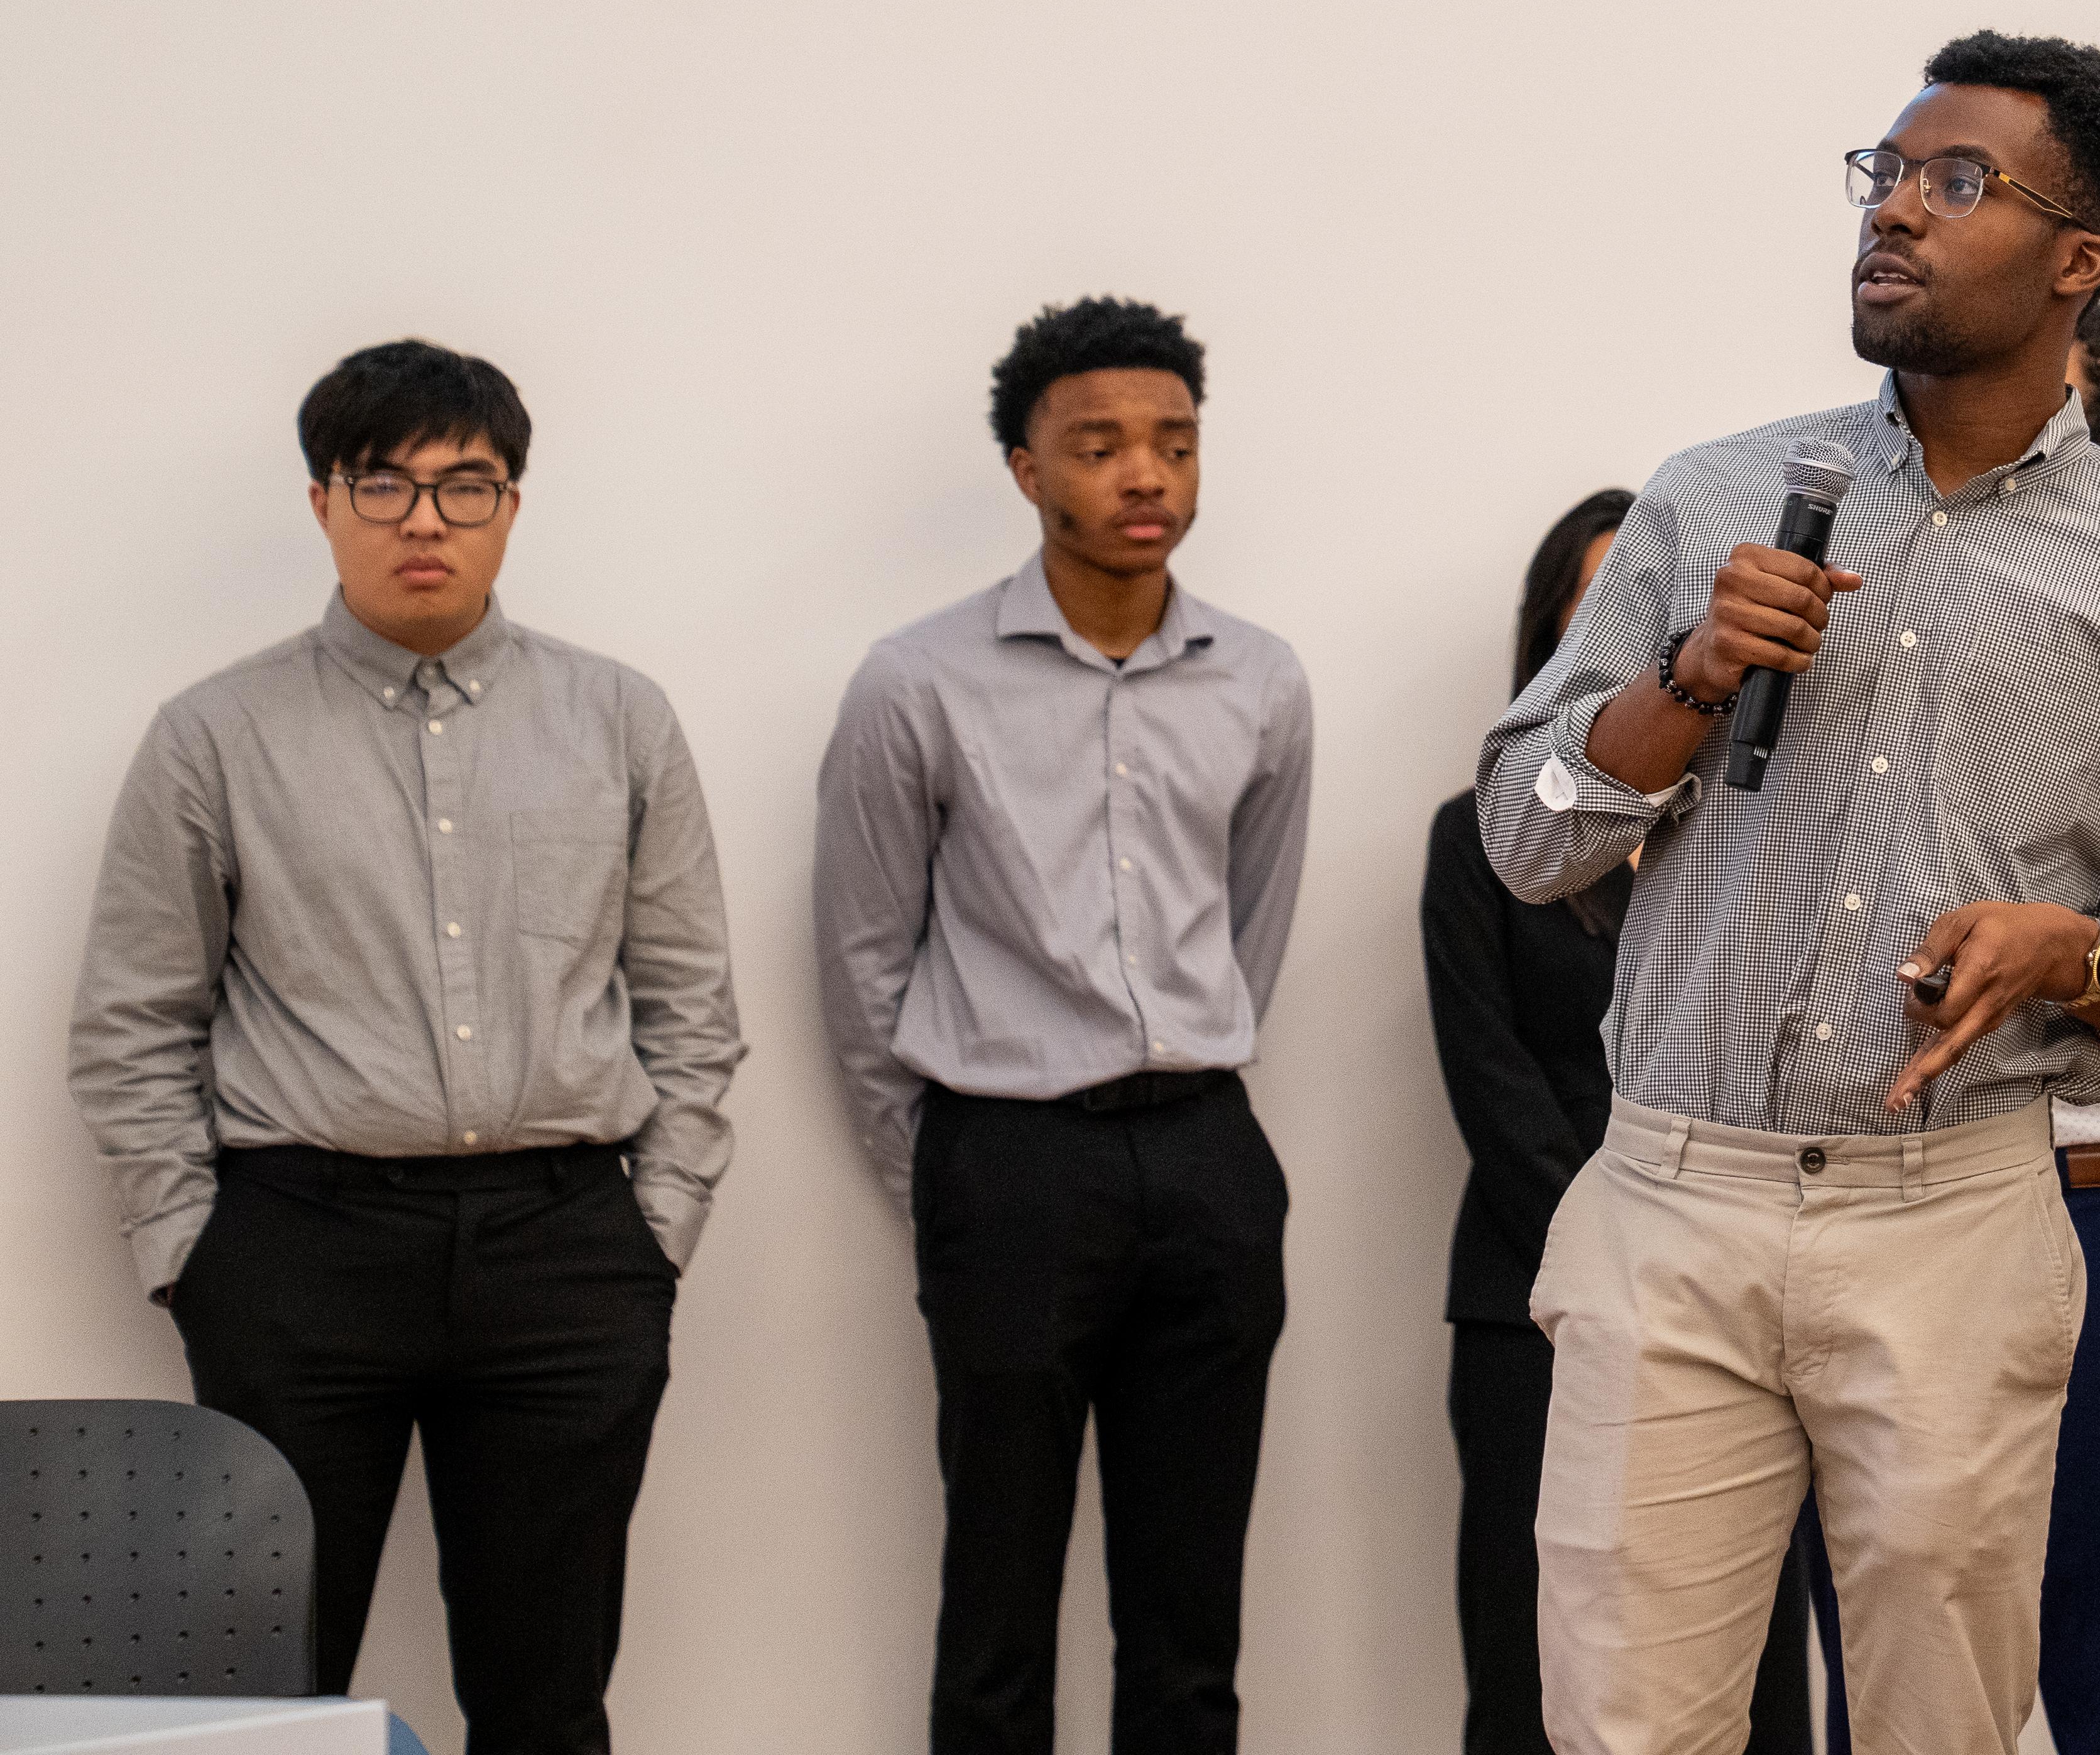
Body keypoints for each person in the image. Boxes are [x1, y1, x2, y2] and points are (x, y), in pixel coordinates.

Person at [1477, 31, 2100, 1755]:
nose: (1896, 212)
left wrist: (2080, 954)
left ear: (2080, 261)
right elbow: (1527, 833)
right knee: (1626, 1730)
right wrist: (1687, 678)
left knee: (1937, 1729)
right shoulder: (1711, 499)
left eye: (1959, 182)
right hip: (1674, 1197)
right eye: (1889, 171)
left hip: (1954, 1221)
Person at [69, 338, 743, 1755]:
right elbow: (135, 1018)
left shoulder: (620, 719)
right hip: (298, 1256)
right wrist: (194, 1254)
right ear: (323, 500)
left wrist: (657, 1227)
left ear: (513, 503)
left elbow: (690, 1001)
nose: (424, 519)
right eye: (383, 483)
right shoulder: (215, 735)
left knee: (547, 1700)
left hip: (568, 1258)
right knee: (258, 1700)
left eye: (464, 484)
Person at [812, 297, 1314, 1755]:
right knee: (998, 1610)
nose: (1145, 473)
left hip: (1209, 1158)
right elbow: (862, 954)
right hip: (1010, 1161)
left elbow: (1252, 926)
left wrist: (1195, 1077)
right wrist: (949, 1176)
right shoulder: (918, 680)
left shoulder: (1261, 679)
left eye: (1174, 441)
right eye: (1099, 446)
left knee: (1190, 1624)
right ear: (1028, 470)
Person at [1809, 296, 2100, 1755]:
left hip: (2089, 1202)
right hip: (1877, 1216)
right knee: (1890, 1695)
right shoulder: (1854, 613)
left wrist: (2071, 951)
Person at [1425, 490, 1813, 1755]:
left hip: (1743, 1295)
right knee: (1530, 1662)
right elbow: (1493, 1087)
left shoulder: (1760, 831)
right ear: (1551, 640)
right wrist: (1625, 1245)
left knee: (1750, 1672)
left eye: (1655, 607)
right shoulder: (1477, 839)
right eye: (1593, 610)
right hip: (1535, 1301)